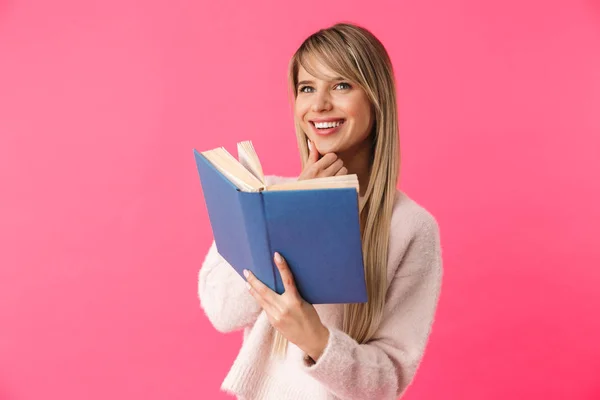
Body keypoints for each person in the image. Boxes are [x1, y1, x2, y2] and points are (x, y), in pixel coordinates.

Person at [198, 22, 443, 400]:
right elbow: (222, 312)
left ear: (376, 98)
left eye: (341, 85)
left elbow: (388, 381)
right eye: (306, 88)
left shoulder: (410, 228)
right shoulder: (267, 195)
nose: (319, 105)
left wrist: (315, 338)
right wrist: (292, 213)